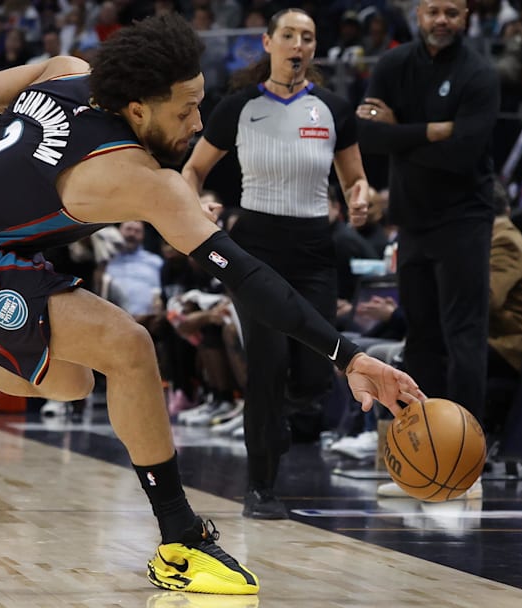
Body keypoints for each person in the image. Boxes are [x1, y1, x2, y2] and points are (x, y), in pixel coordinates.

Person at [0, 14, 423, 596]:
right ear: (138, 110)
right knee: (128, 346)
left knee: (70, 382)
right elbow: (247, 277)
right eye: (185, 110)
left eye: (200, 104)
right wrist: (349, 356)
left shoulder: (67, 70)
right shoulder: (140, 179)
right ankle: (180, 540)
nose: (198, 122)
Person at [181, 8, 372, 520]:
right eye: (288, 35)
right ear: (268, 43)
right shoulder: (238, 107)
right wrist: (197, 202)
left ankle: (272, 421)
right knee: (266, 366)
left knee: (313, 375)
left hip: (313, 250)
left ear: (314, 49)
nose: (298, 44)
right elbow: (192, 171)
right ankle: (261, 487)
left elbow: (355, 180)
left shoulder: (333, 109)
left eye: (307, 37)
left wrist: (360, 196)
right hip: (256, 249)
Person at [356, 0, 499, 431]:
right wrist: (433, 131)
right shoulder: (393, 64)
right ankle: (425, 442)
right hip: (411, 219)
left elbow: (463, 154)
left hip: (464, 219)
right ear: (418, 13)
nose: (442, 20)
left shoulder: (479, 74)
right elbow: (367, 135)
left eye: (451, 12)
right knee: (419, 336)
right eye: (434, 11)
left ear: (466, 17)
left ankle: (467, 444)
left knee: (463, 336)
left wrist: (398, 131)